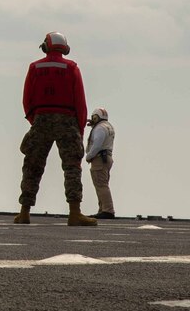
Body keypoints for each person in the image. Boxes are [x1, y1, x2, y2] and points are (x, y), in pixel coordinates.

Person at [13, 32, 97, 227]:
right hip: (67, 120)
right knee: (72, 167)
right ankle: (74, 212)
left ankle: (24, 212)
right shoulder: (71, 68)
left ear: (45, 46)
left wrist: (35, 120)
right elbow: (80, 101)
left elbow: (27, 99)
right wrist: (78, 129)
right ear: (64, 48)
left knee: (32, 165)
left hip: (41, 118)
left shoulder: (35, 67)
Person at [85, 107, 116, 219]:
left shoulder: (99, 128)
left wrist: (89, 156)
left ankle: (107, 210)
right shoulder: (108, 126)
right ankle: (103, 209)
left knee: (101, 185)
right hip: (107, 157)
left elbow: (97, 144)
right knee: (102, 184)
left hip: (99, 159)